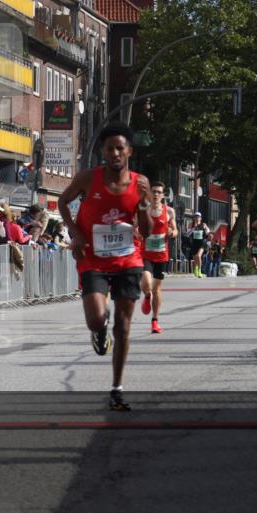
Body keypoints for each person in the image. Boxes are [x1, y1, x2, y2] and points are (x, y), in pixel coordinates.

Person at [58, 123, 153, 412]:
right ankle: (100, 329)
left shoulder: (140, 183)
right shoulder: (88, 178)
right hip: (93, 258)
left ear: (129, 152)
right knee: (97, 319)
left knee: (123, 328)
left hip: (128, 259)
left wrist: (146, 204)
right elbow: (63, 202)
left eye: (120, 148)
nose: (114, 153)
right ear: (102, 151)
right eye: (109, 148)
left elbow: (146, 231)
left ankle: (116, 389)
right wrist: (75, 232)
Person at [138, 181, 177, 334]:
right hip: (146, 253)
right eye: (153, 191)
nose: (155, 194)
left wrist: (172, 233)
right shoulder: (143, 210)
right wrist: (136, 231)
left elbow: (175, 230)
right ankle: (147, 295)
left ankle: (155, 320)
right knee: (146, 281)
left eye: (159, 192)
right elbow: (134, 224)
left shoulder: (169, 212)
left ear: (163, 195)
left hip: (161, 254)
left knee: (157, 288)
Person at [188, 212, 210, 278]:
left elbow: (208, 232)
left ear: (200, 218)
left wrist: (205, 228)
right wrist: (193, 229)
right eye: (195, 217)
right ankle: (196, 269)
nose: (197, 218)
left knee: (198, 256)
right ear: (194, 218)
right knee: (195, 258)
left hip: (202, 243)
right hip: (194, 243)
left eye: (198, 217)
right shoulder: (191, 225)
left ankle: (200, 271)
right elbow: (187, 234)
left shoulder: (203, 225)